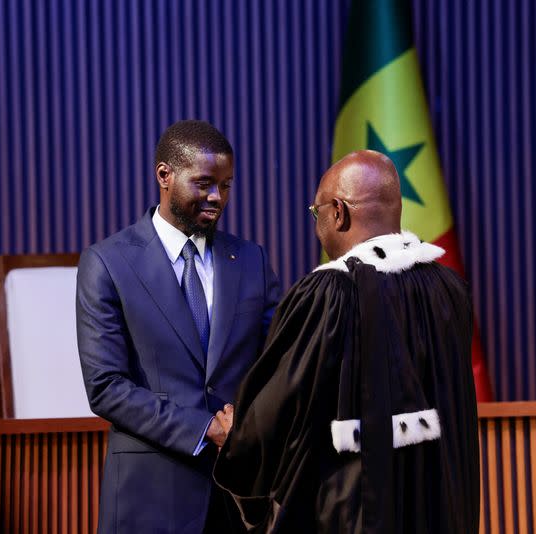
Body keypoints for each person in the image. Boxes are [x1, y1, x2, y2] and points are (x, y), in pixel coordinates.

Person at [213, 150, 479, 533]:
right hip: (439, 504)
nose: (317, 223)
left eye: (315, 212)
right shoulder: (448, 289)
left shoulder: (330, 292)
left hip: (358, 510)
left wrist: (239, 437)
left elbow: (282, 409)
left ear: (338, 211)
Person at [76, 120, 281, 533]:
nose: (216, 198)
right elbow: (106, 386)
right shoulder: (107, 262)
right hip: (149, 497)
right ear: (165, 176)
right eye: (204, 183)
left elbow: (278, 361)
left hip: (239, 498)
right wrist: (205, 428)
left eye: (226, 185)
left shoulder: (252, 260)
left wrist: (249, 422)